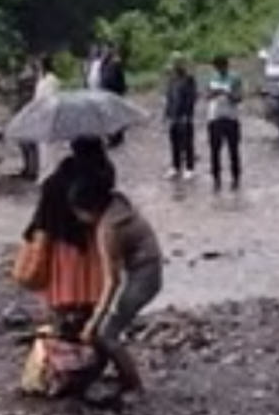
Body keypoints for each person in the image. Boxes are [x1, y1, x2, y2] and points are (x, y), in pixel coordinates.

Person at [72, 175, 165, 397]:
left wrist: (93, 321)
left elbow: (112, 281)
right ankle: (115, 374)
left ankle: (133, 384)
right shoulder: (119, 205)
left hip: (143, 278)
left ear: (90, 209)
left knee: (107, 334)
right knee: (108, 326)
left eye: (79, 213)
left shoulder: (108, 229)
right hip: (150, 269)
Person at [23, 138, 113, 338]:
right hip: (96, 247)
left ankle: (66, 335)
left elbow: (44, 217)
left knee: (66, 301)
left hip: (64, 248)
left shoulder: (57, 180)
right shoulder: (105, 177)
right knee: (94, 298)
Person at [204, 55, 244, 189]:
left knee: (233, 150)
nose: (219, 70)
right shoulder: (211, 77)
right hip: (214, 117)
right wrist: (213, 94)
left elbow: (239, 98)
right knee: (214, 150)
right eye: (217, 68)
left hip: (231, 117)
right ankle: (216, 178)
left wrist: (228, 94)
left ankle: (236, 177)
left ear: (226, 66)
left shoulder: (235, 78)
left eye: (221, 68)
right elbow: (206, 96)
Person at [17, 56, 58, 182]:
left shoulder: (51, 79)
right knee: (41, 146)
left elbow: (49, 98)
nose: (38, 66)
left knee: (48, 146)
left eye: (40, 64)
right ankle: (43, 172)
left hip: (48, 114)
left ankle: (50, 172)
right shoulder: (41, 79)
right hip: (39, 113)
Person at [163, 54, 198, 180]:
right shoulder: (171, 80)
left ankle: (189, 168)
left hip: (184, 116)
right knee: (174, 142)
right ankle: (175, 167)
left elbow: (191, 98)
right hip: (173, 116)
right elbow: (169, 98)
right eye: (173, 64)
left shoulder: (189, 79)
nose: (173, 67)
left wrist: (187, 115)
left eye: (176, 63)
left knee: (187, 143)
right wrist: (166, 115)